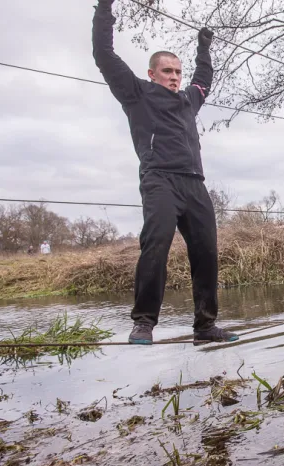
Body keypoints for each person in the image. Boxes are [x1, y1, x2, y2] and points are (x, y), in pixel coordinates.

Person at [93, 0, 237, 345]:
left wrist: (204, 48)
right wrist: (104, 8)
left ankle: (205, 327)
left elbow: (204, 79)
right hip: (160, 180)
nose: (174, 77)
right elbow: (103, 54)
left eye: (177, 72)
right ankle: (144, 323)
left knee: (206, 251)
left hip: (195, 185)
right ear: (152, 74)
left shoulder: (189, 99)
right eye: (167, 71)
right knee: (155, 245)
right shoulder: (136, 94)